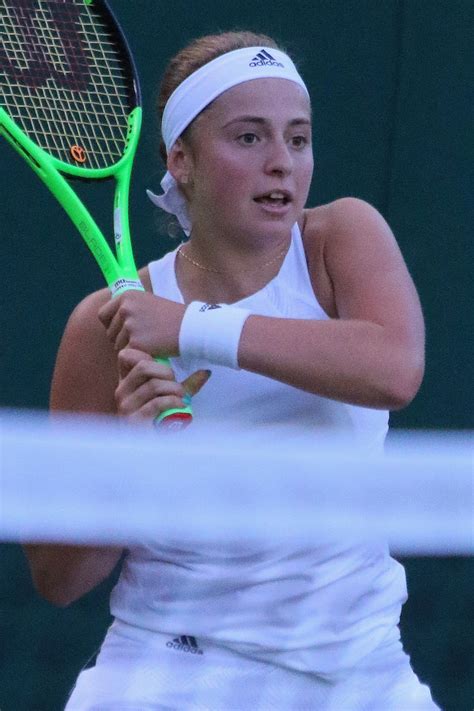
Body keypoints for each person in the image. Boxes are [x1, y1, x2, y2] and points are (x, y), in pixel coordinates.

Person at [23, 31, 437, 710]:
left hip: (358, 671)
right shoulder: (105, 326)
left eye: (298, 139)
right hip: (166, 667)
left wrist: (192, 328)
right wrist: (128, 460)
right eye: (249, 138)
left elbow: (394, 367)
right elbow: (58, 578)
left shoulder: (341, 239)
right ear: (180, 160)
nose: (282, 163)